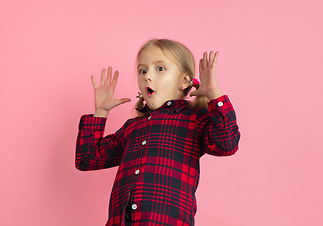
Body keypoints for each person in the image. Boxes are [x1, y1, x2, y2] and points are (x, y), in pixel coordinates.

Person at [76, 38, 240, 226]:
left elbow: (226, 145)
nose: (147, 76)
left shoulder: (196, 119)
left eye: (160, 68)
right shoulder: (132, 127)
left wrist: (214, 93)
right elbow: (87, 159)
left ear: (185, 80)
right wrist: (100, 112)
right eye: (142, 70)